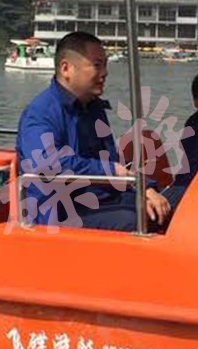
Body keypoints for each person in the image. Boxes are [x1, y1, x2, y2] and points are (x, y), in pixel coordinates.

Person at [16, 31, 172, 231]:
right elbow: (47, 164)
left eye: (105, 65)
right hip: (59, 210)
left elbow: (111, 161)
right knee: (135, 219)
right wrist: (111, 171)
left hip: (101, 199)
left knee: (170, 206)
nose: (105, 73)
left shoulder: (94, 108)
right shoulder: (40, 113)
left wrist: (145, 187)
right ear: (66, 68)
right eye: (97, 65)